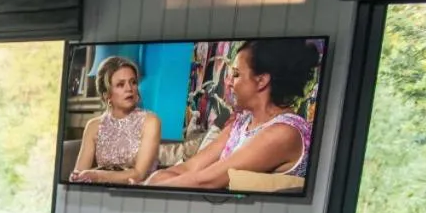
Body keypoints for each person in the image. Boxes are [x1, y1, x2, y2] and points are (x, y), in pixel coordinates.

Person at [145, 39, 319, 190]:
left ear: (261, 81)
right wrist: (152, 180)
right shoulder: (241, 123)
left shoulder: (284, 132)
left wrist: (145, 189)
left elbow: (206, 180)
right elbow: (189, 168)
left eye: (235, 74)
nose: (227, 82)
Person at [69, 56, 162, 186]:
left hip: (139, 190)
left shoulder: (151, 121)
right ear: (107, 94)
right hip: (102, 191)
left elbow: (138, 174)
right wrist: (77, 177)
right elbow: (80, 171)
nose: (129, 88)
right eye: (120, 84)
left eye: (133, 82)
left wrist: (98, 176)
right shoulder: (93, 126)